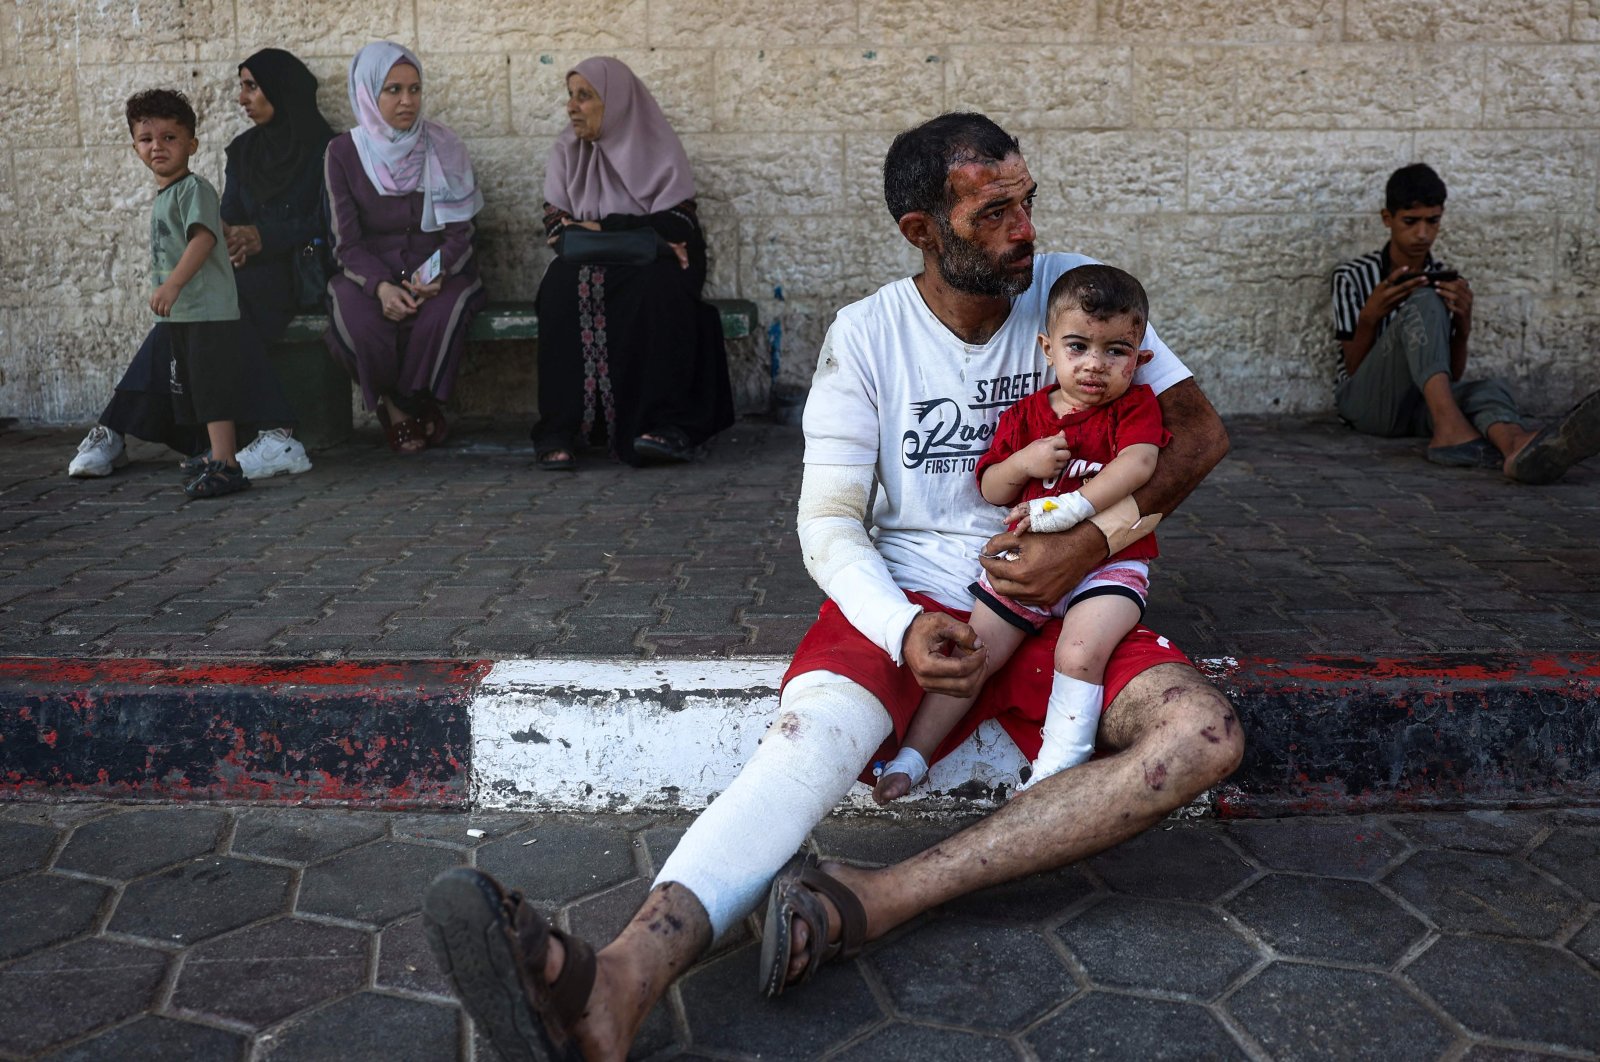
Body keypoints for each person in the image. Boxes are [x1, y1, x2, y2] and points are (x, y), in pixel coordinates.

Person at [423, 113, 1240, 1061]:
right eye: (993, 211)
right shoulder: (867, 335)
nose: (1024, 229)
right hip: (910, 587)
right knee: (811, 736)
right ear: (921, 229)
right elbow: (828, 522)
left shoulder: (1080, 297)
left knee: (1204, 735)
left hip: (1068, 593)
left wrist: (1088, 542)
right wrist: (900, 632)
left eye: (1028, 201)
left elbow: (1196, 435)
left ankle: (876, 897)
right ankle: (619, 980)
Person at [873, 264, 1168, 805]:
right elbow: (990, 486)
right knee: (975, 651)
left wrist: (1075, 505)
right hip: (1025, 562)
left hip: (1109, 565)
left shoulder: (1134, 407)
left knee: (1080, 652)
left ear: (1140, 356)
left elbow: (1140, 463)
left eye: (1116, 351)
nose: (1095, 366)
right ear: (1047, 348)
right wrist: (1026, 461)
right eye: (1078, 347)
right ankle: (913, 755)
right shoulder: (1029, 415)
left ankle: (1058, 764)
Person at [68, 49, 331, 481]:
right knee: (189, 312)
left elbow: (328, 217)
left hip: (295, 272)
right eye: (240, 86)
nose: (242, 98)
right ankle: (115, 430)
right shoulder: (244, 150)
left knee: (219, 311)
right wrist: (231, 237)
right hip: (244, 266)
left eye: (252, 86)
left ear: (283, 90)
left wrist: (265, 236)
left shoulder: (327, 148)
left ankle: (269, 432)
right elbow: (228, 211)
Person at [1331, 163, 1600, 483]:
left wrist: (1463, 325)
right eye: (1410, 221)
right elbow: (1352, 370)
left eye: (1432, 221)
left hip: (1419, 407)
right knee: (1425, 301)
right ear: (1387, 219)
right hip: (1365, 407)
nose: (1422, 233)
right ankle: (1449, 431)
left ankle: (1517, 447)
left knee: (1487, 390)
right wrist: (1369, 318)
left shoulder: (1444, 278)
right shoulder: (1352, 277)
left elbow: (1449, 376)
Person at [531, 56, 734, 470]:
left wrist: (599, 227)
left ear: (617, 101)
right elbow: (558, 230)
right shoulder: (567, 151)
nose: (572, 107)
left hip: (654, 269)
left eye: (585, 96)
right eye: (570, 96)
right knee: (559, 285)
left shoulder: (657, 146)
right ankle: (564, 427)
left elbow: (677, 227)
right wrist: (637, 236)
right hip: (615, 260)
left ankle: (659, 425)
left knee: (656, 288)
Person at [323, 41, 486, 454]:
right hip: (370, 272)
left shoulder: (443, 146)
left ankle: (414, 403)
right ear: (368, 92)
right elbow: (346, 242)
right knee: (358, 320)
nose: (407, 101)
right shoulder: (343, 153)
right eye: (393, 90)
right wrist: (381, 286)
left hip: (437, 269)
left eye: (414, 89)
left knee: (442, 312)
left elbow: (461, 233)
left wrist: (431, 274)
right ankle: (399, 408)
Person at [122, 89, 249, 498]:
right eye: (146, 139)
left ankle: (227, 464)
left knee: (211, 387)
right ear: (135, 145)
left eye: (170, 137)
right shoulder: (168, 194)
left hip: (206, 311)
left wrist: (173, 284)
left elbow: (202, 240)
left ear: (191, 144)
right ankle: (214, 452)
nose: (157, 146)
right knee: (191, 387)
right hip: (184, 313)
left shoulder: (195, 189)